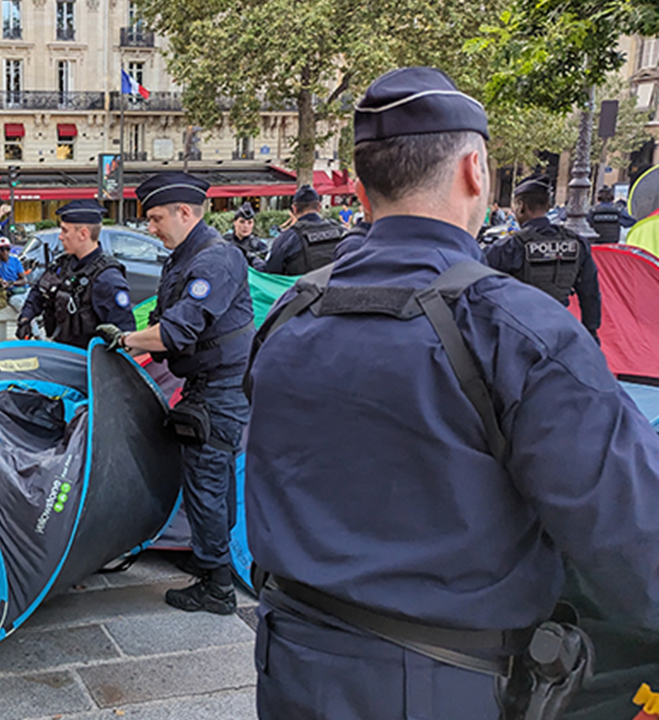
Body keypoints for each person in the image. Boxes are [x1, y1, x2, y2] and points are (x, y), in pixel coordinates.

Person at [245, 66, 659, 720]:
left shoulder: (291, 316)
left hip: (290, 667)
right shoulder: (517, 328)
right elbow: (637, 540)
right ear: (475, 171)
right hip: (442, 685)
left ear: (359, 189)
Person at [97, 173, 254, 615]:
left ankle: (216, 586)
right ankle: (212, 571)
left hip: (220, 389)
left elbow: (178, 328)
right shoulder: (185, 257)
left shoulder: (214, 260)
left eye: (155, 218)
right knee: (213, 481)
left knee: (206, 481)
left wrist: (125, 341)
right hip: (207, 385)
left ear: (185, 213)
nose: (150, 228)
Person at [483, 173, 602, 341]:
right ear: (548, 205)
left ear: (520, 206)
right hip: (559, 332)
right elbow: (590, 293)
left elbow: (478, 284)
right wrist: (591, 333)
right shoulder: (576, 243)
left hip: (517, 334)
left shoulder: (510, 247)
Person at [17, 200, 133, 346]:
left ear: (83, 234)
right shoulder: (62, 265)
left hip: (88, 363)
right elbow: (38, 292)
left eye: (65, 230)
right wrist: (25, 319)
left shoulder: (107, 278)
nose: (60, 236)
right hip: (61, 355)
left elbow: (124, 334)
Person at [263, 185, 346, 275]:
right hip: (336, 287)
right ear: (319, 206)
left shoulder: (287, 238)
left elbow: (271, 271)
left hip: (301, 288)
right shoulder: (340, 232)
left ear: (294, 209)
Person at [0, 237, 28, 313]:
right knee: (17, 302)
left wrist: (12, 283)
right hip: (10, 293)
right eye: (2, 249)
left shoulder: (15, 260)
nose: (5, 252)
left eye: (7, 249)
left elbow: (24, 280)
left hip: (21, 289)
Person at [222, 203, 269, 270]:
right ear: (234, 222)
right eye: (242, 222)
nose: (246, 226)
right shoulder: (224, 240)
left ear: (253, 224)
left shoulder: (258, 245)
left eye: (249, 222)